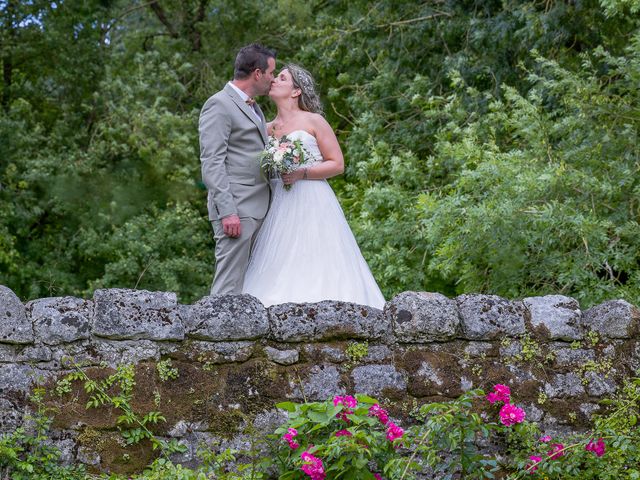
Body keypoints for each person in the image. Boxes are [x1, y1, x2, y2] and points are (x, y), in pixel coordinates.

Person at [242, 64, 386, 309]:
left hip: (312, 197)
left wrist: (303, 172)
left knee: (317, 252)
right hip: (279, 200)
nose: (274, 80)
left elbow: (337, 164)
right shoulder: (265, 128)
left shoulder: (314, 121)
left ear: (296, 91)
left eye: (282, 78)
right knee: (282, 258)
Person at [199, 43, 276, 295]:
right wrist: (228, 211)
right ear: (257, 73)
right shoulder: (219, 104)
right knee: (228, 286)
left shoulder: (254, 107)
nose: (272, 79)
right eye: (271, 73)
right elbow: (212, 161)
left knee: (247, 286)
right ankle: (214, 333)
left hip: (259, 206)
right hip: (237, 209)